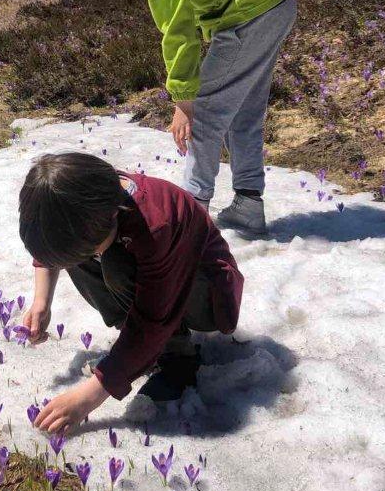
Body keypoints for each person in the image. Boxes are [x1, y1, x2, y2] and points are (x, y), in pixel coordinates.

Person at [68, 0, 297, 238]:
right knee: (243, 114)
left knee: (203, 113)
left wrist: (184, 101)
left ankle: (191, 214)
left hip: (249, 13)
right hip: (271, 5)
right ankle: (248, 206)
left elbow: (178, 33)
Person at [18, 152, 243, 435]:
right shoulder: (87, 195)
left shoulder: (155, 226)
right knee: (79, 253)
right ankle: (139, 352)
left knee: (115, 264)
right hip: (156, 285)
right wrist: (42, 302)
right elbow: (54, 243)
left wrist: (88, 397)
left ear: (113, 214)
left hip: (207, 294)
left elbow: (151, 320)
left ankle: (177, 357)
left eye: (91, 248)